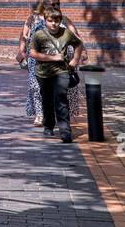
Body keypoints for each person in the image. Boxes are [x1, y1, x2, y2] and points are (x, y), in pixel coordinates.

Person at [15, 0, 77, 126]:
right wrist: (21, 50)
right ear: (44, 5)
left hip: (60, 59)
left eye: (57, 4)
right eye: (52, 4)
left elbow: (75, 35)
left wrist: (81, 52)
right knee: (36, 87)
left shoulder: (64, 19)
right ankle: (40, 114)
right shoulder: (33, 18)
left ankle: (61, 114)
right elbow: (24, 36)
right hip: (37, 58)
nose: (56, 6)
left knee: (62, 86)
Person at [29, 9, 87, 142]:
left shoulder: (66, 33)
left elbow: (78, 44)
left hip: (62, 71)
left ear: (60, 21)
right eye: (50, 21)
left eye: (56, 21)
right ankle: (48, 125)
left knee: (61, 99)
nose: (54, 24)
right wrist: (53, 58)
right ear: (45, 21)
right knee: (47, 99)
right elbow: (32, 53)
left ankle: (65, 130)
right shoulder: (39, 35)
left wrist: (75, 60)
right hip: (43, 73)